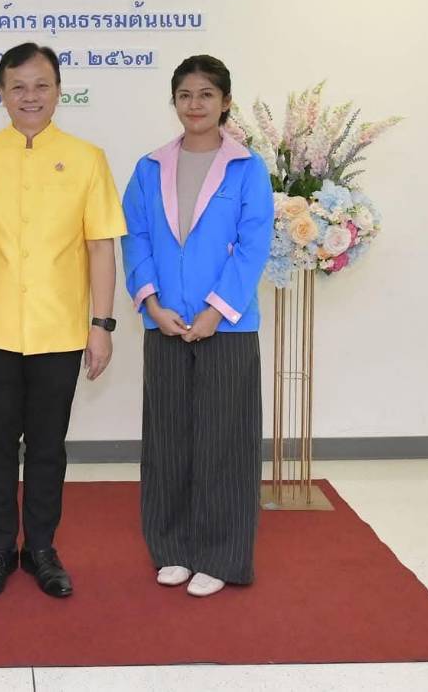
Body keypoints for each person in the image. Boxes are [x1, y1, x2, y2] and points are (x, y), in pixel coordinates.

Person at [0, 42, 127, 600]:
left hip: (60, 330)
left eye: (41, 85)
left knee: (48, 447)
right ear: (1, 93)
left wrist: (101, 325)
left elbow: (100, 248)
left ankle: (41, 549)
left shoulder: (88, 158)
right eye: (18, 86)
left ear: (59, 91)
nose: (30, 96)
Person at [120, 54, 273, 597]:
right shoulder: (149, 167)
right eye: (185, 94)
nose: (195, 104)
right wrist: (151, 302)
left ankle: (221, 555)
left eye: (206, 94)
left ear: (226, 102)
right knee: (167, 440)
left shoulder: (247, 168)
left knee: (223, 443)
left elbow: (253, 245)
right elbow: (135, 236)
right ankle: (172, 548)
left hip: (226, 326)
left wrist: (215, 310)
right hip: (165, 322)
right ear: (174, 102)